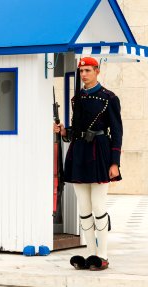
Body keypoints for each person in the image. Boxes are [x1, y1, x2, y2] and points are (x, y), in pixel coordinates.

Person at [53, 57, 123, 271]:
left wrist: (115, 162)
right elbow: (77, 128)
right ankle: (89, 253)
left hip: (100, 152)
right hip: (79, 152)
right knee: (84, 208)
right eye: (81, 71)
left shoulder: (109, 98)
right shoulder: (78, 98)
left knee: (99, 206)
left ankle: (102, 255)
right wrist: (65, 131)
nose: (84, 74)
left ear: (97, 71)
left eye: (88, 71)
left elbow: (117, 131)